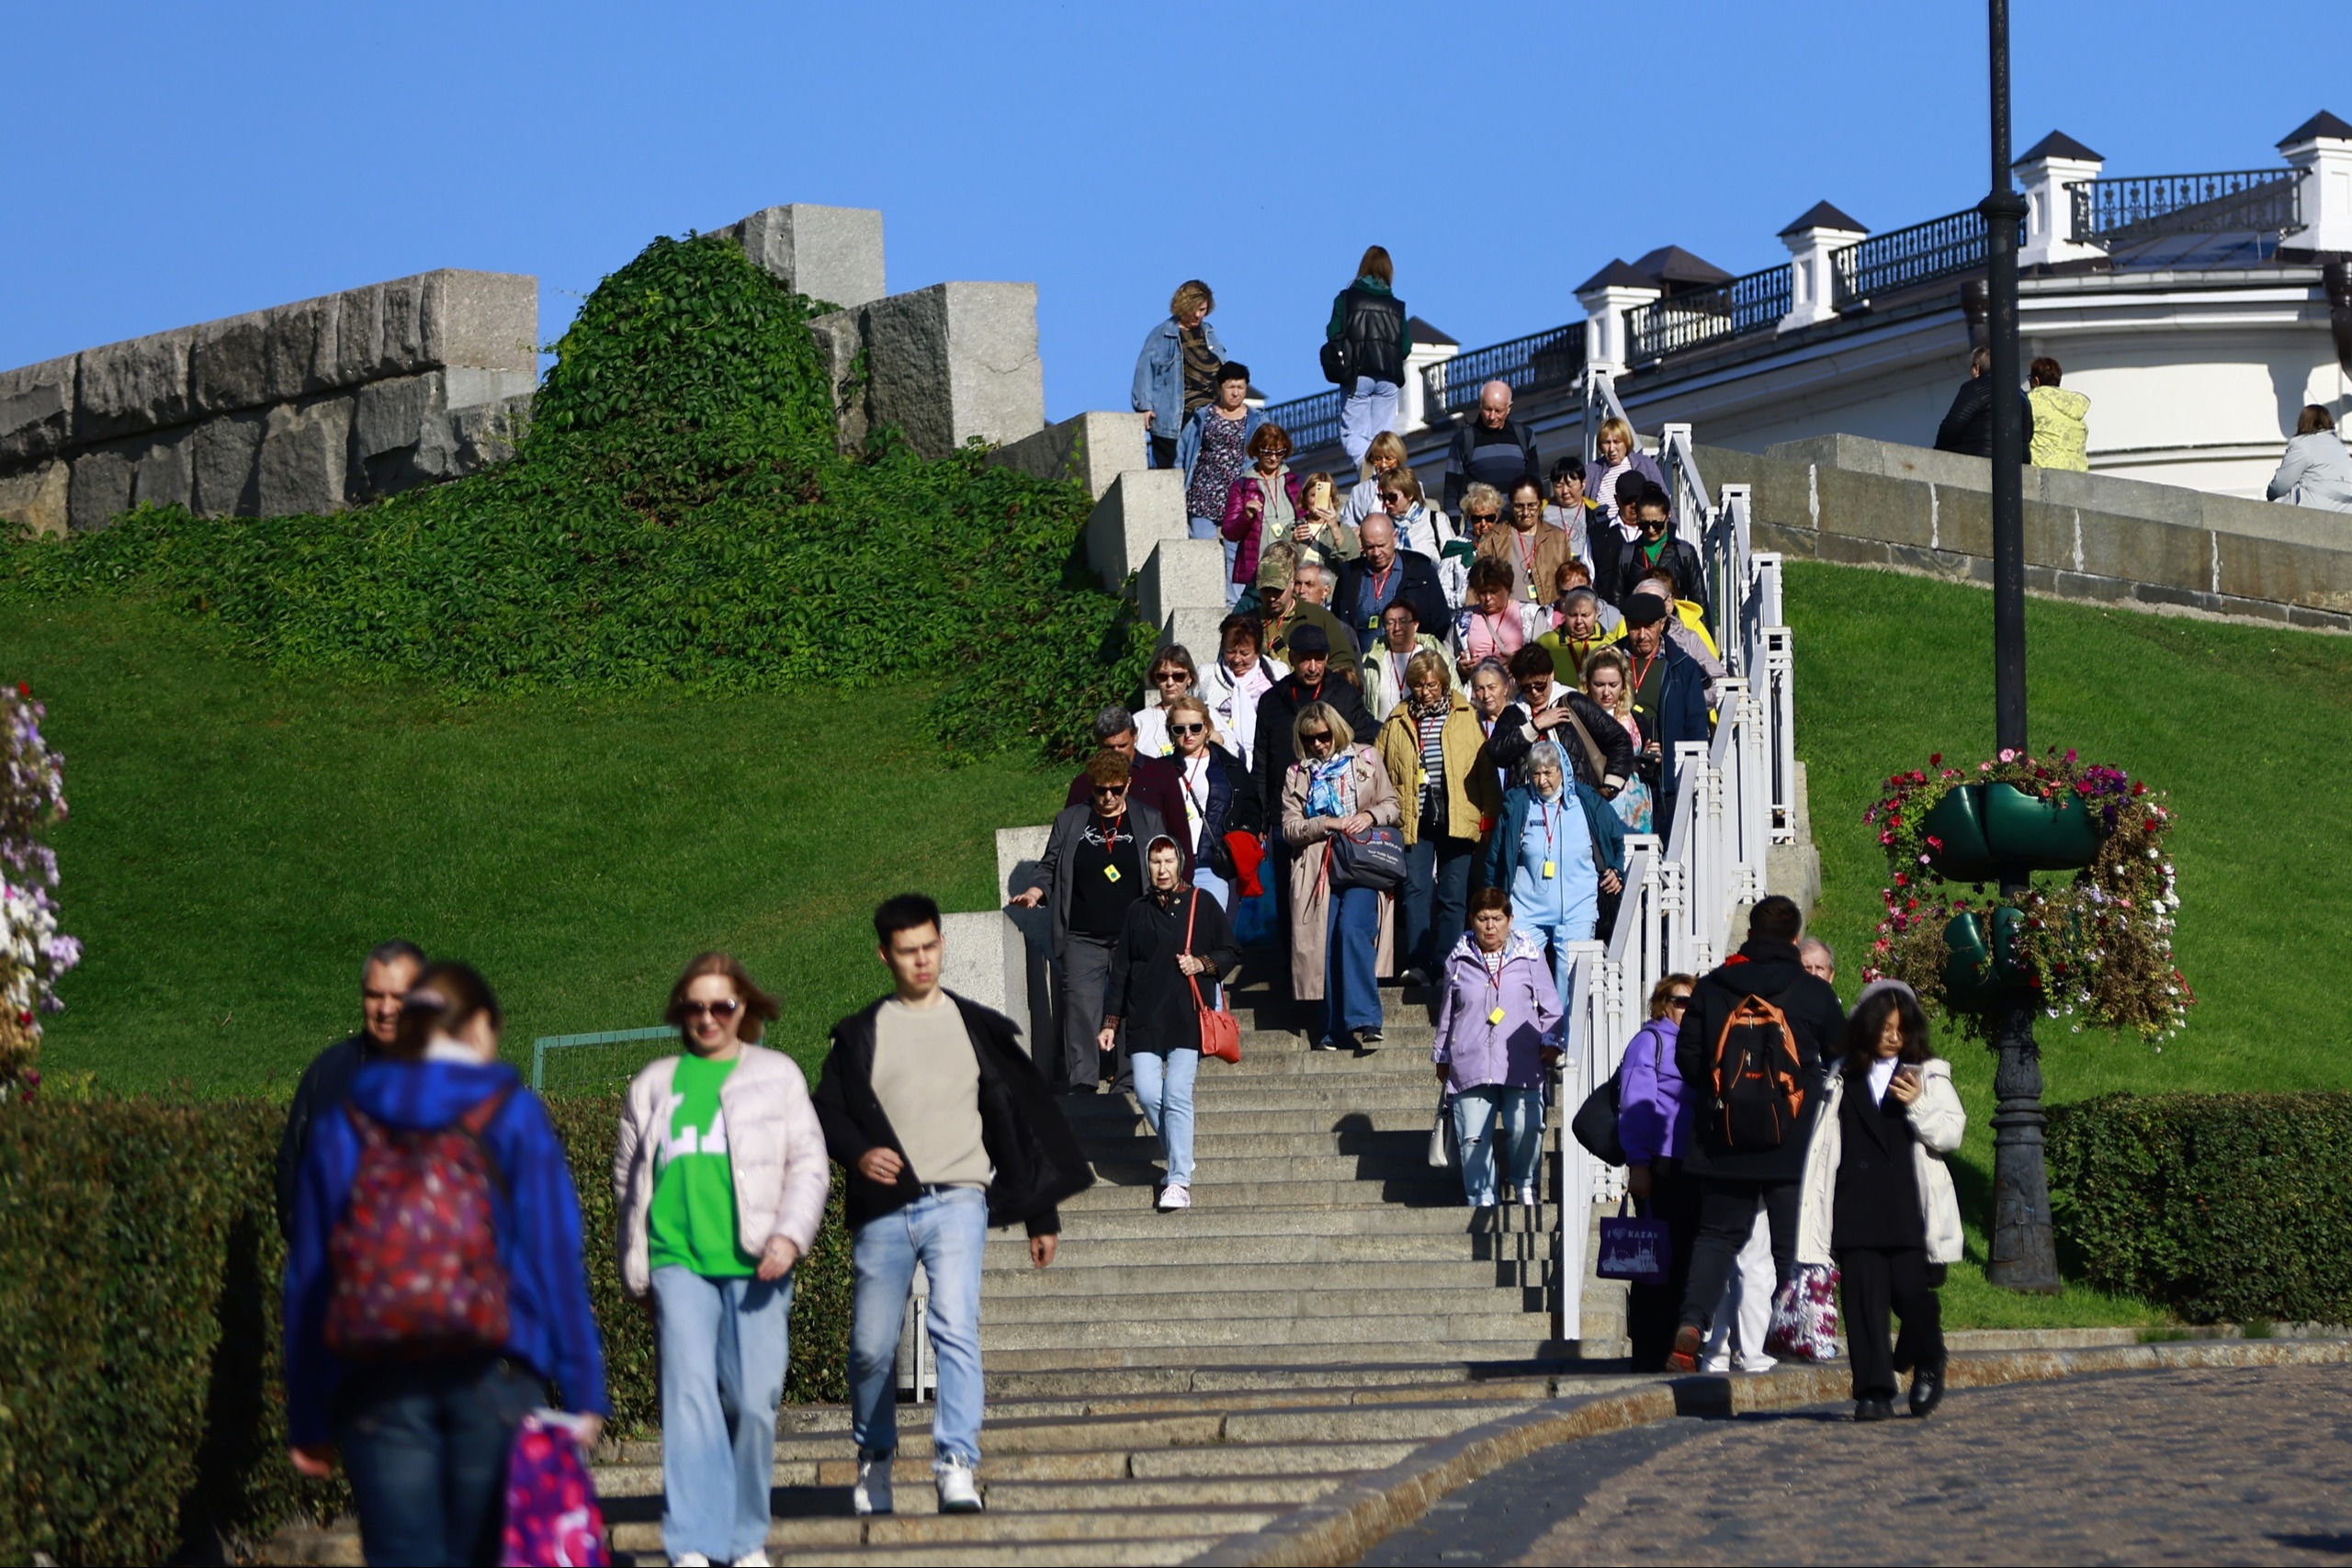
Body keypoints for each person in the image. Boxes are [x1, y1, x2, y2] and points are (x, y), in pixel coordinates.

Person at [282, 962, 608, 1567]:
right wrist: (585, 1384)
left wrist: (307, 1412)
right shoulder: (510, 1113)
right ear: (481, 1026)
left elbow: (309, 1274)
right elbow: (556, 1255)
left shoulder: (348, 1118)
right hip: (496, 1369)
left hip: (376, 1380)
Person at [815, 895, 1091, 1515]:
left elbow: (1013, 1121)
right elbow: (826, 1110)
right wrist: (859, 1153)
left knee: (955, 1325)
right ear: (884, 954)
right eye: (908, 950)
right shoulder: (862, 1033)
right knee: (870, 1344)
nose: (921, 960)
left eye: (930, 946)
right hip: (884, 1206)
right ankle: (875, 1459)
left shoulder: (975, 1026)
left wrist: (1039, 1214)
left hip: (960, 1199)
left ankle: (956, 1462)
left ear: (941, 943)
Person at [614, 953, 829, 1568]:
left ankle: (743, 1535)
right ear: (681, 1012)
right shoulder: (654, 1082)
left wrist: (789, 1236)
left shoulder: (778, 1074)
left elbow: (809, 1165)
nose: (708, 1017)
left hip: (759, 1259)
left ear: (744, 1009)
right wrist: (638, 1262)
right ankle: (692, 1538)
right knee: (688, 1397)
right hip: (677, 1258)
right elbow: (629, 1179)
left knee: (754, 1397)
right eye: (695, 1006)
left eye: (721, 1005)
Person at [1666, 896, 1848, 1374]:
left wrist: (1722, 1094)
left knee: (1717, 1236)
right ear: (1794, 937)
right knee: (1790, 1243)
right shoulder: (1811, 991)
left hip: (1722, 1135)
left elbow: (1687, 1059)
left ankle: (1692, 1321)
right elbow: (1841, 1050)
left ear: (1750, 931)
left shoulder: (1713, 985)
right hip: (1791, 1136)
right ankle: (1792, 1331)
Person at [1795, 979, 1963, 1422]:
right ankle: (1873, 1389)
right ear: (1867, 1027)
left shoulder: (1928, 1073)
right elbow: (1824, 1146)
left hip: (1909, 1204)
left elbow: (1951, 1134)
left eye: (1902, 1028)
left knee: (1912, 1291)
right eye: (1886, 1027)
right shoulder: (1840, 1076)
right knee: (1865, 1302)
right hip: (1855, 1203)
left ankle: (1929, 1355)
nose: (1894, 1036)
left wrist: (1919, 1104)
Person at [1100, 835, 1239, 1212]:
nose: (1162, 870)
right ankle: (1181, 1152)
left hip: (1185, 1015)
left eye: (1168, 862)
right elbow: (1121, 970)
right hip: (1144, 1016)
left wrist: (1201, 964)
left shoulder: (1201, 902)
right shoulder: (1136, 911)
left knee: (1177, 1093)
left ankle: (1178, 1179)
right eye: (1155, 862)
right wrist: (1111, 1022)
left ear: (1180, 863)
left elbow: (1229, 950)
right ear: (1148, 866)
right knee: (1146, 1092)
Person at [1016, 751, 1167, 1093]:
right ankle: (1083, 1080)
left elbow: (1164, 866)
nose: (1109, 798)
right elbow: (1050, 866)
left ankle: (1128, 1079)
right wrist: (1036, 892)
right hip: (1082, 935)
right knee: (1081, 1006)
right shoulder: (1071, 821)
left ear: (1128, 784)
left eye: (1116, 790)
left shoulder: (1148, 819)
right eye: (1100, 791)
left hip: (1134, 933)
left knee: (1132, 1004)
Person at [276, 939, 425, 1237]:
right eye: (374, 995)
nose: (385, 1009)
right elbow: (291, 1162)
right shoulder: (329, 1071)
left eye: (398, 997)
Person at [1280, 701, 1400, 1049]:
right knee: (1324, 942)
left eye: (1323, 736)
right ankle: (1333, 1029)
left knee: (1353, 929)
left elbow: (1392, 804)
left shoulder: (1366, 758)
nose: (1318, 744)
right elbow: (1289, 828)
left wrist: (1371, 816)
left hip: (1362, 859)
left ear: (1336, 729)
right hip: (1318, 864)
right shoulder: (1297, 773)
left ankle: (1365, 1018)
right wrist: (1326, 823)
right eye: (1309, 738)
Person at [1432, 887, 1561, 1211]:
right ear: (1472, 921)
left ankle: (1523, 1183)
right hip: (1471, 1060)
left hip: (1520, 1060)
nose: (1490, 926)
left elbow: (1551, 1008)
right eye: (1482, 918)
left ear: (1510, 920)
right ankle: (1482, 1199)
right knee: (1473, 1138)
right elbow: (1448, 1011)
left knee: (1527, 1127)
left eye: (1497, 918)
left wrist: (1550, 1041)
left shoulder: (1529, 955)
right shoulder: (1457, 959)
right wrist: (1442, 1055)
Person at [1476, 739, 1625, 1004]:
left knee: (1570, 979)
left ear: (1563, 770)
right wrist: (1492, 901)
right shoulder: (1517, 803)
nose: (1542, 780)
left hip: (1578, 906)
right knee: (1514, 974)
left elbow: (1616, 837)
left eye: (1549, 772)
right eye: (1536, 773)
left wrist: (1617, 868)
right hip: (1526, 906)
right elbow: (1495, 856)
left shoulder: (1587, 800)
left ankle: (1565, 1041)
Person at [1375, 651, 1492, 986]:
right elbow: (1380, 768)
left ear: (1443, 682)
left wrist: (1489, 815)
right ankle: (1418, 963)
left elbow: (1483, 768)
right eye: (1418, 685)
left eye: (1431, 685)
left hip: (1459, 815)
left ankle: (1447, 963)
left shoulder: (1466, 715)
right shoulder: (1396, 720)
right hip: (1413, 819)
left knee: (1453, 895)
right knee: (1415, 892)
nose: (1425, 691)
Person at [1617, 973, 1698, 1369]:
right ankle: (1649, 1350)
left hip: (1692, 1165)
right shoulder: (1650, 1042)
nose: (1688, 1008)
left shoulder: (1698, 1044)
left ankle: (1676, 1347)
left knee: (1684, 1257)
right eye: (1682, 1001)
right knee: (1654, 1262)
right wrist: (1639, 1165)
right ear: (1663, 1004)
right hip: (1660, 1164)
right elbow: (1636, 1106)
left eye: (1694, 1002)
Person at [1486, 643, 1636, 800]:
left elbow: (1620, 740)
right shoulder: (1512, 713)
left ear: (1551, 675)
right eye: (1526, 688)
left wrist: (1609, 787)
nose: (1535, 692)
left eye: (1540, 685)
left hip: (1575, 805)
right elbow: (1496, 753)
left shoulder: (1573, 702)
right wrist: (1535, 726)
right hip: (1529, 808)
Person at [1621, 595, 1712, 836]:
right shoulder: (1610, 659)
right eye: (1634, 627)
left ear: (1663, 623)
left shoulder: (1682, 666)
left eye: (1649, 626)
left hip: (1667, 779)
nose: (1641, 635)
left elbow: (1695, 725)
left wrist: (1693, 774)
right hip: (1619, 778)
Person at [1064, 706, 1192, 875]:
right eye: (1109, 747)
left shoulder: (1162, 774)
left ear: (1135, 736)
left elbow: (1179, 833)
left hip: (1149, 879)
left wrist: (1182, 883)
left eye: (1122, 745)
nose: (1117, 753)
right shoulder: (1083, 784)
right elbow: (1067, 840)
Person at [1163, 694, 1259, 910]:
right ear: (1171, 731)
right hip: (1170, 863)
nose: (1188, 734)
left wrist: (1237, 840)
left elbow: (1251, 808)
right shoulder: (1160, 769)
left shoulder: (1230, 767)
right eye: (1179, 729)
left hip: (1212, 862)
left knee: (1209, 929)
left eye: (1195, 727)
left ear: (1207, 727)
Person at [1328, 245, 1412, 466]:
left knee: (1353, 434)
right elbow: (1405, 347)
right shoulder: (1397, 306)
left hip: (1358, 374)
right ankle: (1382, 476)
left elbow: (1333, 333)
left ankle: (1367, 474)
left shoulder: (1346, 299)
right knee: (1382, 437)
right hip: (1389, 378)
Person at [1134, 279, 1225, 470]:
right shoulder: (1162, 334)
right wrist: (1144, 406)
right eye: (1195, 309)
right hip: (1175, 417)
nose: (1199, 315)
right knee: (1176, 474)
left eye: (1203, 310)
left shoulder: (1209, 333)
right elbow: (1144, 371)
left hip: (1209, 413)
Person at [1180, 362, 1265, 554]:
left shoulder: (1257, 420)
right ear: (1220, 387)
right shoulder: (1202, 416)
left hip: (1239, 496)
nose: (1236, 393)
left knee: (1235, 556)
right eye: (1231, 387)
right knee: (1202, 552)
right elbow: (1183, 451)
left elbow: (1269, 450)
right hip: (1203, 494)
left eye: (1241, 388)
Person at [1335, 513, 1449, 649]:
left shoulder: (1421, 573)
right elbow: (1338, 626)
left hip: (1410, 662)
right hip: (1362, 664)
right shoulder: (1349, 575)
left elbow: (1441, 624)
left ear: (1394, 538)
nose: (1376, 553)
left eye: (1382, 545)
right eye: (1370, 547)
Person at [1603, 484, 1710, 623]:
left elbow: (1699, 604)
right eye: (1644, 524)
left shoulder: (1684, 552)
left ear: (1668, 516)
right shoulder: (1626, 553)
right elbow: (1615, 604)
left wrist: (1707, 642)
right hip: (1638, 629)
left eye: (1657, 524)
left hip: (1675, 628)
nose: (1651, 530)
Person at [1221, 423, 1302, 603]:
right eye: (1267, 452)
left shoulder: (1296, 481)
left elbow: (1306, 517)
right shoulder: (1241, 486)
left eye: (1279, 453)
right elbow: (1229, 532)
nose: (1273, 458)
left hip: (1293, 564)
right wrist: (1246, 516)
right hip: (1258, 569)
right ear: (1256, 451)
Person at [1197, 615, 1287, 772]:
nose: (1237, 659)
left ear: (1258, 651)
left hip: (1269, 759)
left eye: (1244, 653)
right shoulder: (1206, 676)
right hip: (1219, 761)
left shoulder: (1278, 673)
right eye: (1231, 652)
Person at [1476, 475, 1577, 611]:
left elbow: (1569, 584)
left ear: (1540, 504)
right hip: (1505, 620)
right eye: (1519, 506)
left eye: (1531, 506)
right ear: (1511, 506)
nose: (1525, 512)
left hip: (1548, 619)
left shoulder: (1558, 538)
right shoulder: (1493, 539)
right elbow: (1477, 586)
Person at [1579, 647, 1652, 834]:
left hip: (1636, 805)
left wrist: (1652, 759)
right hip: (1598, 804)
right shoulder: (1579, 720)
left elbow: (1650, 771)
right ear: (1588, 684)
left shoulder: (1638, 720)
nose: (1606, 692)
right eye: (1599, 684)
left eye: (1613, 685)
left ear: (1623, 686)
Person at [1442, 381, 1542, 514]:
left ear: (1509, 408)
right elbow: (1451, 491)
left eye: (1498, 411)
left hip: (1517, 525)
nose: (1492, 416)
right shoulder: (1463, 440)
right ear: (1480, 404)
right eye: (1487, 409)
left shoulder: (1525, 436)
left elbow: (1535, 486)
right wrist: (1453, 527)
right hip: (1480, 526)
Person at [1933, 344, 2033, 459]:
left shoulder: (1975, 388)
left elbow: (1952, 426)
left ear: (1976, 369)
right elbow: (2029, 433)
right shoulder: (2021, 395)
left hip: (1981, 458)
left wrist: (1938, 450)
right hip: (2021, 462)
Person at [1361, 597, 1453, 717]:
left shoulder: (1435, 654)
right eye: (1390, 623)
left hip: (1427, 730)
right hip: (1383, 732)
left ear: (1415, 624)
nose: (1397, 628)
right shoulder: (1370, 661)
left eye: (1403, 621)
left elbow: (1455, 693)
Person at [1451, 558, 1541, 679]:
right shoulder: (1462, 618)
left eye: (1493, 592)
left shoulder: (1532, 614)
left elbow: (1545, 657)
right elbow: (1445, 658)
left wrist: (1518, 663)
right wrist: (1459, 668)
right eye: (1482, 592)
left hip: (1519, 691)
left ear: (1507, 589)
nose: (1488, 598)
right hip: (1477, 691)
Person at [1267, 559, 1363, 671]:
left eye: (1309, 584)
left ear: (1326, 591)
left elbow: (1352, 671)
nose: (1302, 590)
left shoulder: (1341, 629)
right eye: (1298, 583)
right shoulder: (1280, 620)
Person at [1588, 417, 1667, 540]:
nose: (1612, 449)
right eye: (1606, 443)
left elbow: (1663, 500)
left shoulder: (1645, 464)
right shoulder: (1592, 471)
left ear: (1626, 442)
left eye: (1616, 442)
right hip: (1606, 538)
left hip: (1644, 534)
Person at [2267, 403, 2352, 513]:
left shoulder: (2303, 444)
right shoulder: (2340, 447)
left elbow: (2282, 484)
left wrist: (2270, 494)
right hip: (2346, 510)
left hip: (2314, 509)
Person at [1439, 484, 1504, 614]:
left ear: (1497, 517)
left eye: (1489, 518)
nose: (1484, 524)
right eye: (1477, 519)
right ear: (1468, 518)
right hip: (1466, 617)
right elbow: (1441, 593)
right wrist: (1466, 598)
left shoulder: (1505, 543)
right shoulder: (1455, 547)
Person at [1539, 585, 1623, 677]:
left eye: (1585, 615)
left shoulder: (1610, 643)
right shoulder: (1546, 644)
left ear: (1596, 614)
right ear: (1565, 613)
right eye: (1573, 615)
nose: (1579, 621)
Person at [1287, 471, 1361, 575]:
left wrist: (1334, 527)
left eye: (1323, 496)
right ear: (1305, 498)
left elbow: (1353, 560)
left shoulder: (1344, 530)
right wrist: (1293, 543)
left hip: (1331, 588)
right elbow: (1280, 563)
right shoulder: (1292, 529)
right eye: (1313, 495)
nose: (1318, 500)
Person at [1132, 647, 1201, 757]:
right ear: (1155, 679)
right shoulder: (1139, 721)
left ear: (1190, 678)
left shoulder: (1207, 714)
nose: (1170, 683)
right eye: (1162, 676)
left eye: (1178, 676)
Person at [1373, 466, 1451, 560]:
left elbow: (1451, 560)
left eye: (1392, 497)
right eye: (1383, 497)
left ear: (1409, 494)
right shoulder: (1384, 527)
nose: (1387, 502)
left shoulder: (1436, 520)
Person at [1466, 657, 1515, 804]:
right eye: (1479, 689)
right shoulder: (1473, 723)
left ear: (1506, 687)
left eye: (1492, 687)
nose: (1486, 695)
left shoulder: (1519, 717)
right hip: (1486, 801)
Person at [2026, 356, 2089, 471]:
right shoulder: (2074, 406)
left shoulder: (2030, 401)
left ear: (2036, 381)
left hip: (2043, 475)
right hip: (2078, 477)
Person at [1340, 430, 1409, 529]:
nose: (1383, 464)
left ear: (1398, 459)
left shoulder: (1413, 487)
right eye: (1378, 459)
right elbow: (1347, 527)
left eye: (1388, 458)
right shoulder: (1359, 492)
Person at [1544, 456, 1595, 567]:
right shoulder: (1542, 510)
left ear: (1583, 484)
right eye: (1559, 485)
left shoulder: (1595, 512)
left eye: (1570, 484)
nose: (1565, 491)